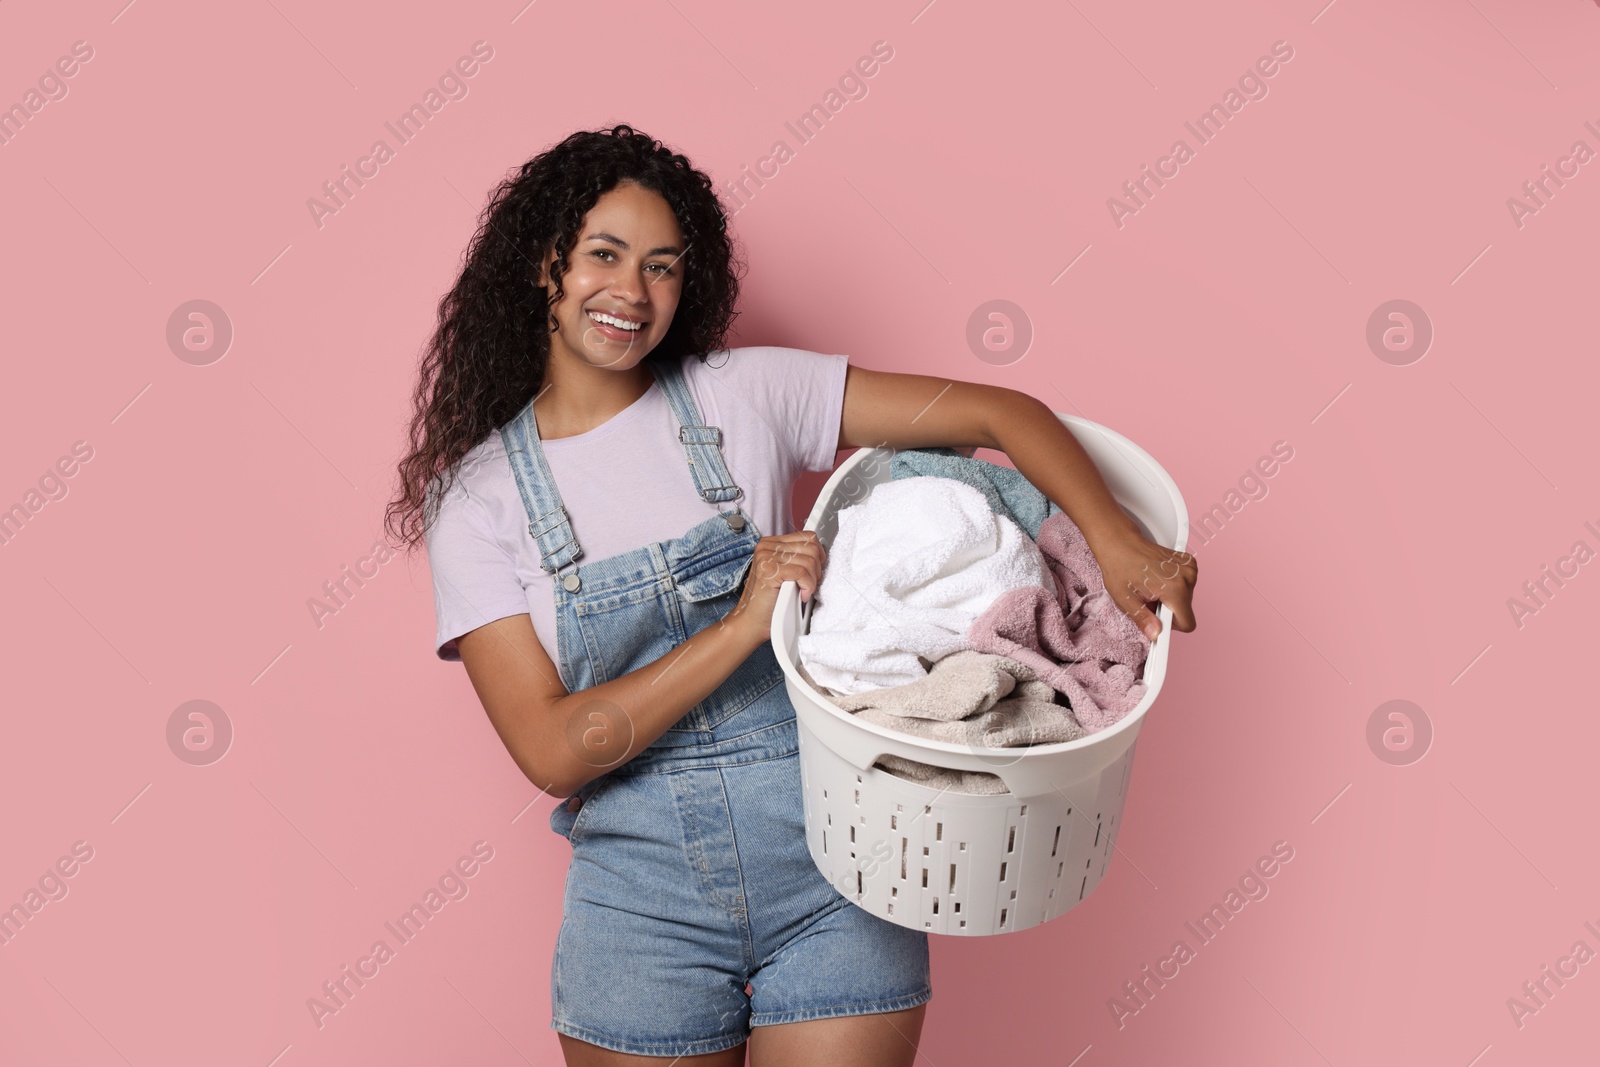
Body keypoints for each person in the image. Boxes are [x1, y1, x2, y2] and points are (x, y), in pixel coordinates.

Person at [385, 124, 1198, 1066]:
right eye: (603, 255)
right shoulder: (480, 502)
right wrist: (743, 624)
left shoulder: (748, 394)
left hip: (840, 866)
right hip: (640, 908)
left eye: (662, 266)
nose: (632, 292)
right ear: (544, 264)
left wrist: (1120, 542)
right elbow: (555, 749)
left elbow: (997, 413)